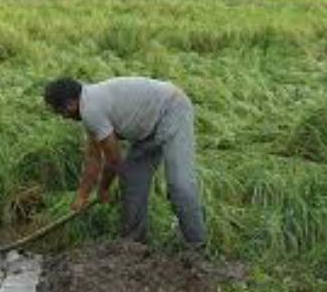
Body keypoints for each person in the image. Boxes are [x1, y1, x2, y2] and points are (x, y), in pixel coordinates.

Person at [43, 76, 206, 247]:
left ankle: (196, 245)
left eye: (60, 112)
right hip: (147, 126)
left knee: (179, 183)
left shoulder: (91, 109)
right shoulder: (88, 104)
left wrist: (103, 188)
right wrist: (82, 196)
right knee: (131, 178)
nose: (63, 117)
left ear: (70, 104)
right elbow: (93, 158)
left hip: (172, 108)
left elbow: (114, 159)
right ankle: (134, 244)